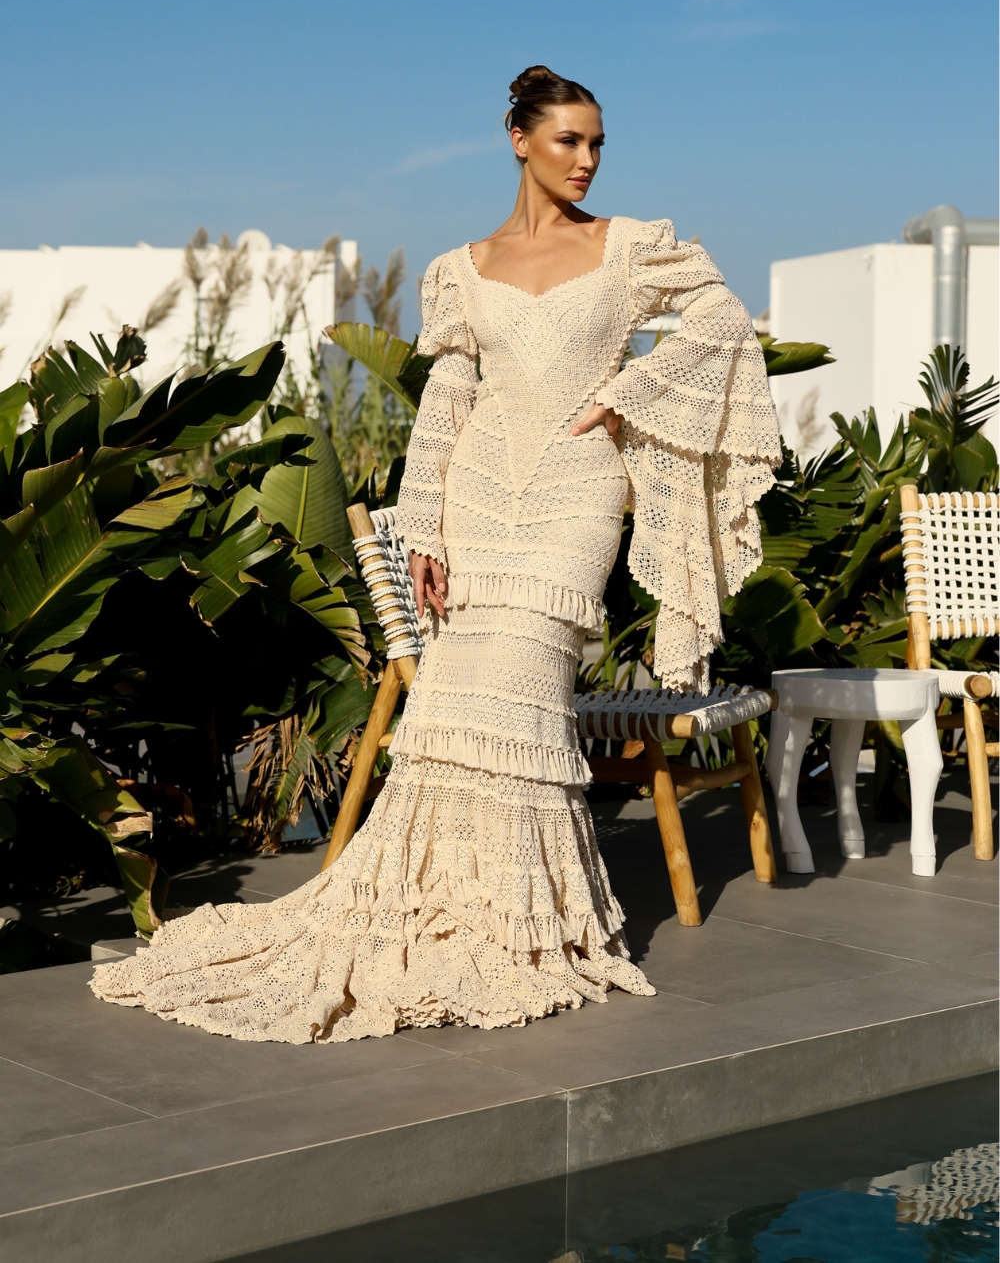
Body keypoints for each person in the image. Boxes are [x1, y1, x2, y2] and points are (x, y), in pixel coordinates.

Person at [91, 66, 781, 1043]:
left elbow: (718, 321)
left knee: (523, 693)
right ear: (516, 139)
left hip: (579, 497)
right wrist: (427, 532)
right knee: (456, 709)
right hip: (480, 499)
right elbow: (446, 407)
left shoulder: (630, 249)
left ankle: (520, 930)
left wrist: (622, 396)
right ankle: (453, 906)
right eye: (566, 141)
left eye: (596, 144)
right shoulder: (460, 269)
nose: (585, 161)